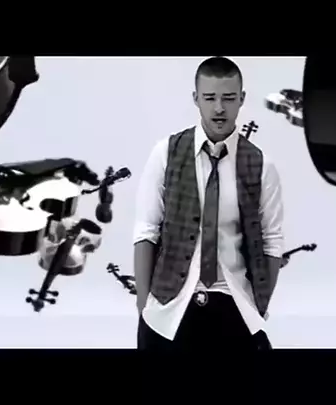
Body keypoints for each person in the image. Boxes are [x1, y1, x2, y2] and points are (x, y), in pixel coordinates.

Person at [132, 56, 285, 351]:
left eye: (228, 98)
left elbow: (272, 241)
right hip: (168, 310)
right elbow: (146, 231)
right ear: (196, 99)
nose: (219, 108)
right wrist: (144, 308)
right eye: (210, 98)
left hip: (235, 303)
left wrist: (260, 304)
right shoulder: (166, 153)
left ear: (241, 99)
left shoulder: (261, 165)